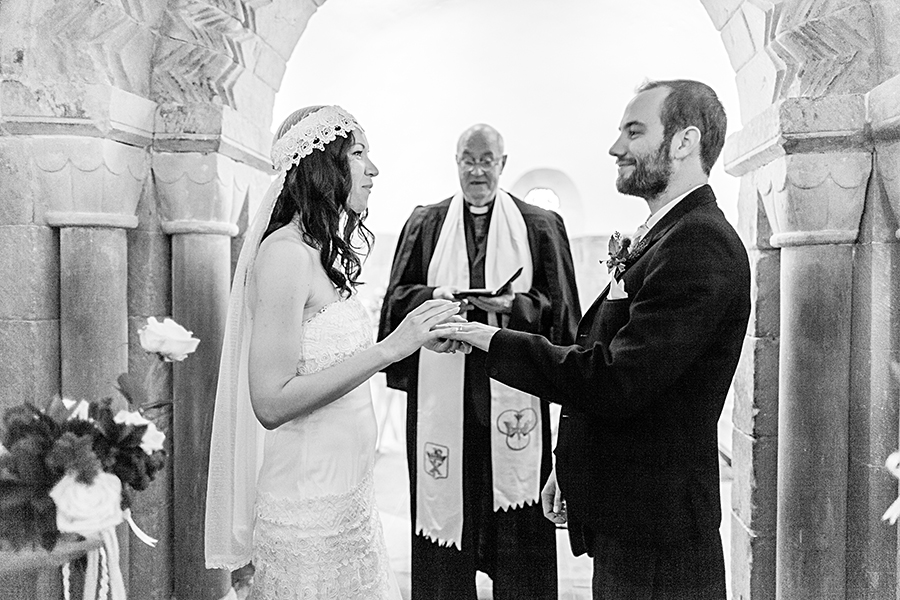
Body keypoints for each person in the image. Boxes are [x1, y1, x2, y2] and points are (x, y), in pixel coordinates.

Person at [437, 80, 751, 600]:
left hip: (658, 533)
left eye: (633, 131)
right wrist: (572, 464)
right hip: (632, 514)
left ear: (684, 141)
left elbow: (615, 379)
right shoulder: (665, 233)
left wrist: (489, 339)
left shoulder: (698, 242)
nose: (615, 147)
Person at [204, 105, 462, 600]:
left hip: (348, 504)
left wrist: (419, 339)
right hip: (308, 517)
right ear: (321, 166)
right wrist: (390, 349)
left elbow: (330, 357)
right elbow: (271, 402)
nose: (374, 169)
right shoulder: (282, 255)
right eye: (359, 153)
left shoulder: (319, 251)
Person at [377, 123, 581, 599]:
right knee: (444, 517)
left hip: (512, 399)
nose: (477, 170)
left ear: (503, 165)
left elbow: (565, 314)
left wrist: (515, 307)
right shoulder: (425, 223)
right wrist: (437, 296)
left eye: (487, 160)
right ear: (456, 163)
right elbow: (395, 305)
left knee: (519, 525)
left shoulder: (540, 224)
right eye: (468, 160)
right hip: (443, 402)